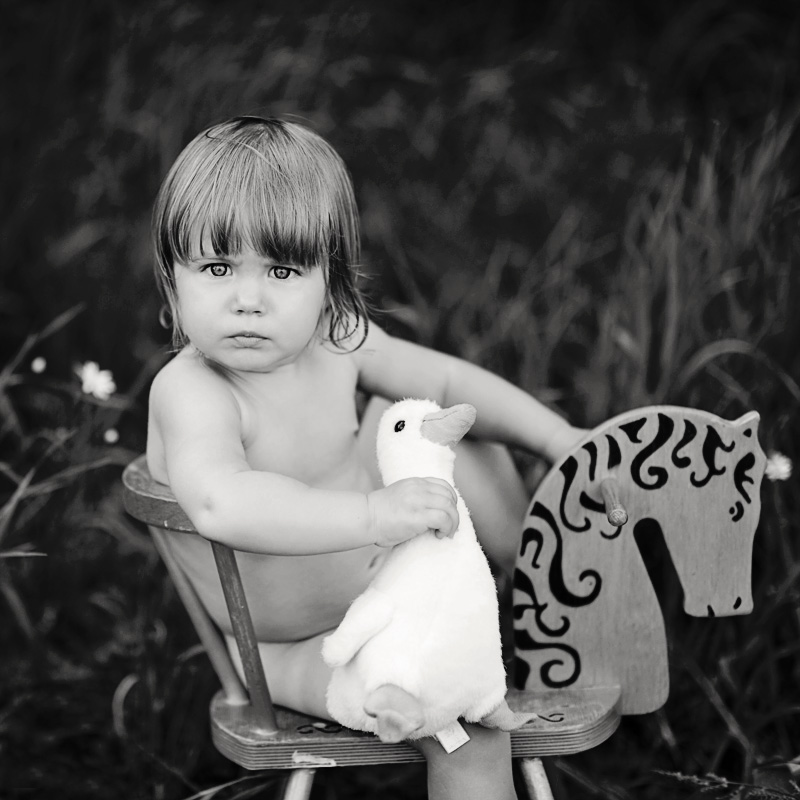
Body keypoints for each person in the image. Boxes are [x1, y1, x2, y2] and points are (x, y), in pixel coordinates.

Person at [146, 116, 586, 800]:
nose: (248, 300)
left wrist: (561, 441)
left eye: (283, 270)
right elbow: (220, 502)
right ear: (173, 279)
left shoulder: (336, 338)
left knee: (436, 416)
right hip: (303, 648)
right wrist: (374, 515)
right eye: (217, 268)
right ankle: (479, 659)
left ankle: (544, 587)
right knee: (466, 729)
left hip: (397, 591)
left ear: (330, 284)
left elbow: (448, 380)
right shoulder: (194, 392)